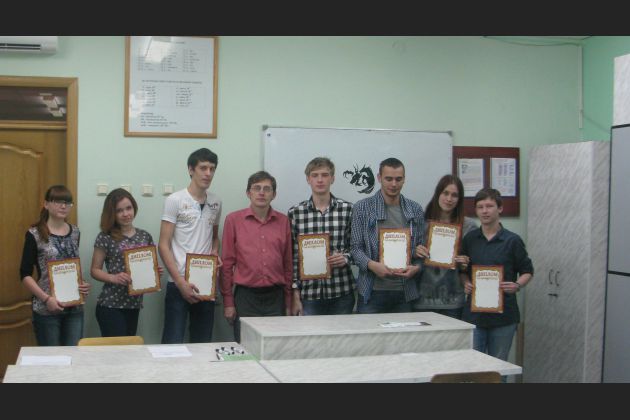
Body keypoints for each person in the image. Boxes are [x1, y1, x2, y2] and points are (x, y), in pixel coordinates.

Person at [460, 188, 533, 362]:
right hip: (474, 316)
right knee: (473, 366)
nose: (484, 211)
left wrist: (517, 285)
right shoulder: (470, 239)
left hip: (504, 317)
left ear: (500, 208)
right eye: (480, 207)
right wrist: (465, 282)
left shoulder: (512, 240)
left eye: (489, 206)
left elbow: (527, 271)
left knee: (499, 368)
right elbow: (463, 271)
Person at [220, 171, 292, 342]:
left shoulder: (284, 221)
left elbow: (288, 264)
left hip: (276, 297)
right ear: (248, 193)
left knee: (274, 346)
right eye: (256, 188)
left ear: (274, 195)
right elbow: (227, 264)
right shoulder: (233, 220)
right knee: (246, 347)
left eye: (267, 189)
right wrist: (228, 302)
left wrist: (288, 301)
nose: (261, 193)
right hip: (245, 297)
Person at [159, 148, 222, 344]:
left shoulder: (216, 202)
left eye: (212, 168)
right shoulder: (175, 200)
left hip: (205, 283)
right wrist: (180, 282)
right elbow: (163, 244)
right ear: (191, 169)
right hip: (178, 282)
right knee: (172, 343)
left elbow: (214, 238)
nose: (208, 173)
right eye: (203, 168)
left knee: (202, 343)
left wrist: (215, 252)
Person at [350, 158, 424, 313]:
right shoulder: (362, 208)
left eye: (398, 179)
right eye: (388, 179)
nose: (394, 184)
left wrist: (417, 268)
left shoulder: (415, 209)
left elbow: (421, 250)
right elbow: (355, 249)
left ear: (404, 179)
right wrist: (372, 265)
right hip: (372, 291)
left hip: (405, 292)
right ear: (379, 178)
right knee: (369, 330)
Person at [19, 185, 91, 346]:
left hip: (74, 308)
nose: (63, 206)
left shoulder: (75, 232)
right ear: (46, 204)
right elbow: (24, 274)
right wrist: (46, 299)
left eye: (68, 202)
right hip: (47, 308)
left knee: (73, 355)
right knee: (51, 357)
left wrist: (83, 284)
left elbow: (71, 266)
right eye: (58, 201)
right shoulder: (35, 234)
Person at [90, 188, 163, 337]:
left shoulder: (145, 236)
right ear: (112, 214)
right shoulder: (105, 236)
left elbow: (149, 268)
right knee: (119, 350)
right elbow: (94, 270)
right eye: (119, 211)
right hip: (110, 305)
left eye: (128, 208)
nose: (126, 214)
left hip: (134, 305)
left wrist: (154, 274)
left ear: (134, 207)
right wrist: (113, 278)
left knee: (130, 348)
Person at [288, 157, 355, 316]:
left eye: (325, 175)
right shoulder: (295, 213)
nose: (320, 180)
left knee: (343, 333)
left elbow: (357, 247)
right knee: (310, 333)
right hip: (309, 294)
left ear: (332, 178)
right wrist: (295, 294)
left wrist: (346, 258)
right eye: (315, 175)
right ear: (308, 179)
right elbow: (293, 257)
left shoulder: (348, 209)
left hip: (341, 291)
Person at [412, 175, 477, 319]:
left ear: (460, 199)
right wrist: (415, 251)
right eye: (445, 193)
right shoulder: (420, 222)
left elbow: (473, 265)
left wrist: (465, 264)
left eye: (454, 195)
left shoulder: (469, 226)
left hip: (453, 300)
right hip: (422, 298)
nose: (449, 199)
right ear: (438, 194)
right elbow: (408, 258)